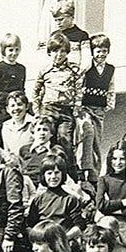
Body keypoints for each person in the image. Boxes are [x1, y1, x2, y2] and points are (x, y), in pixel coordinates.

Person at [32, 31, 83, 179]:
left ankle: (70, 175)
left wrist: (77, 107)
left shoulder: (73, 70)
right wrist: (37, 112)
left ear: (67, 52)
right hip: (49, 109)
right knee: (47, 140)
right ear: (50, 52)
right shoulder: (45, 70)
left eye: (62, 51)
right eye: (55, 51)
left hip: (66, 111)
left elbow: (79, 90)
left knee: (65, 140)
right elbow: (36, 92)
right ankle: (44, 172)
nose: (59, 55)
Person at [78, 34, 116, 182]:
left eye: (104, 51)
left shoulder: (110, 69)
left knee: (97, 141)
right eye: (98, 51)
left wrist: (110, 103)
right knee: (87, 134)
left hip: (99, 109)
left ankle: (94, 173)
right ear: (92, 52)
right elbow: (79, 84)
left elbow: (111, 87)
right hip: (85, 108)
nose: (100, 54)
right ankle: (83, 169)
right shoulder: (87, 67)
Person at [26, 153, 86, 240]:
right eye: (49, 173)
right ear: (43, 176)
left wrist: (65, 238)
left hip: (63, 241)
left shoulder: (70, 199)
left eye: (57, 173)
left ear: (63, 174)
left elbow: (79, 225)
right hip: (43, 242)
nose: (53, 177)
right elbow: (30, 225)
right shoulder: (38, 201)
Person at [95, 140, 126, 243]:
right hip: (107, 223)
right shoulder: (104, 179)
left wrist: (109, 208)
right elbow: (100, 205)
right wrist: (124, 202)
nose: (117, 163)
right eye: (114, 159)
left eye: (122, 159)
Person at [0, 33, 26, 128]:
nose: (14, 53)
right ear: (4, 51)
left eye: (17, 50)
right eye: (10, 50)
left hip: (18, 109)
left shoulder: (21, 68)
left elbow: (22, 90)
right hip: (4, 111)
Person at [50, 0, 91, 72]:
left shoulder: (82, 35)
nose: (58, 23)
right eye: (56, 20)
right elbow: (49, 58)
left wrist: (78, 74)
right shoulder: (54, 35)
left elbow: (86, 60)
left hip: (75, 74)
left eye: (61, 19)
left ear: (71, 17)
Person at [0, 90, 34, 156]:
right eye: (12, 106)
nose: (16, 108)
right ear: (8, 109)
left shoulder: (34, 122)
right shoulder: (6, 126)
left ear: (27, 106)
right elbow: (7, 151)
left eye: (19, 104)